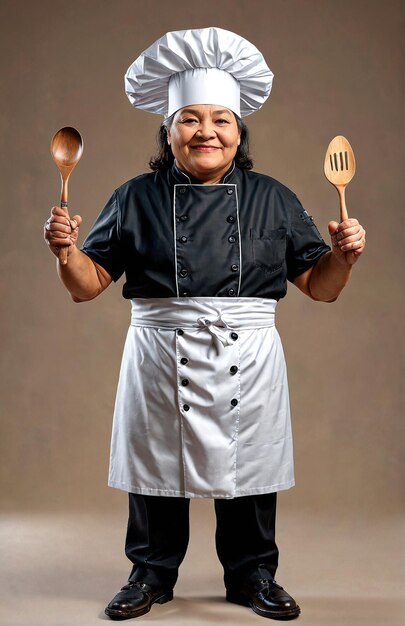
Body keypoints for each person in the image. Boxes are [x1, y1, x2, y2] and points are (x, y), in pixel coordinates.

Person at [44, 27, 366, 622]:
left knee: (250, 468)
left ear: (239, 131)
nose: (206, 132)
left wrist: (342, 257)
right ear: (168, 133)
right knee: (155, 466)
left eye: (220, 119)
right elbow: (88, 286)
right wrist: (66, 254)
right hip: (159, 347)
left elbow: (319, 288)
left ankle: (253, 574)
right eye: (189, 120)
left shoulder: (275, 197)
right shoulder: (134, 197)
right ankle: (149, 574)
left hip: (250, 348)